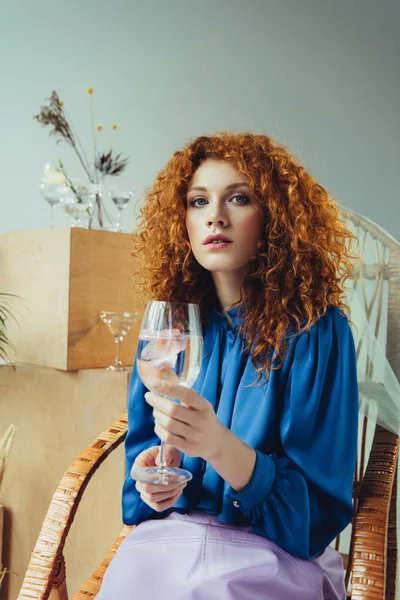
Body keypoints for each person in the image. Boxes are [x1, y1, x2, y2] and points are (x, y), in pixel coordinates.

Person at [96, 132, 359, 600]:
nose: (215, 215)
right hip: (170, 546)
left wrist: (218, 447)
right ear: (183, 223)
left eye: (239, 198)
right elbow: (141, 488)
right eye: (198, 201)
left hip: (275, 556)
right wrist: (158, 479)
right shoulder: (168, 328)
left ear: (275, 219)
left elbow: (315, 518)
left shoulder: (318, 331)